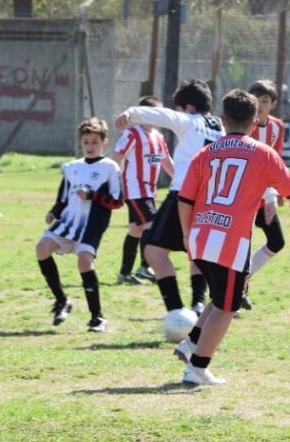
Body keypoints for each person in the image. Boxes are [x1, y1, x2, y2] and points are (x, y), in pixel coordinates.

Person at [175, 89, 290, 385]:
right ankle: (197, 368)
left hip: (201, 235)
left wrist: (189, 236)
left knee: (221, 296)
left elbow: (184, 198)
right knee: (228, 307)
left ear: (223, 120)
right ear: (255, 122)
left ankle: (190, 344)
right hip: (230, 242)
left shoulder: (205, 153)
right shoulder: (264, 154)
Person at [115, 79, 224, 319]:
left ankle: (175, 311)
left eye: (179, 108)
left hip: (183, 195)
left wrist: (131, 113)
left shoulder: (189, 120)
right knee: (196, 252)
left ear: (188, 107)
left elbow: (161, 115)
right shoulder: (219, 127)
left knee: (154, 252)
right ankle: (197, 305)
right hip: (211, 200)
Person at [36, 117, 122, 333]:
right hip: (68, 222)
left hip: (92, 224)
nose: (90, 146)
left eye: (95, 142)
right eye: (86, 142)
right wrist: (53, 212)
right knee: (42, 248)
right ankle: (62, 300)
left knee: (84, 261)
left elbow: (117, 201)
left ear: (104, 142)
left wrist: (92, 195)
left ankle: (97, 318)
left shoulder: (110, 167)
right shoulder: (72, 167)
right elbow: (62, 197)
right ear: (80, 143)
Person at [111, 95, 173, 285]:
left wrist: (183, 180)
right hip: (135, 189)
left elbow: (166, 163)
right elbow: (116, 158)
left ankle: (124, 274)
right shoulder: (132, 134)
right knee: (152, 225)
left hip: (149, 191)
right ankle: (145, 267)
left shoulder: (158, 137)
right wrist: (114, 184)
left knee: (136, 230)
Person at [242, 79, 286, 309]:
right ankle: (239, 290)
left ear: (273, 104)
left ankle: (241, 282)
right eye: (255, 99)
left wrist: (274, 191)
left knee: (277, 241)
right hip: (243, 196)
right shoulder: (243, 125)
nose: (259, 104)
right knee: (242, 245)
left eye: (265, 100)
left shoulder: (277, 126)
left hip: (264, 194)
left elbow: (274, 160)